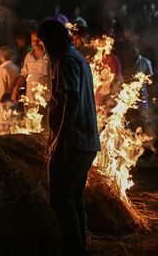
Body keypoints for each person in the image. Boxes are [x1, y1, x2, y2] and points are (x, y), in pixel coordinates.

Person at [38, 20, 100, 256]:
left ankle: (74, 250)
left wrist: (60, 140)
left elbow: (71, 100)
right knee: (74, 197)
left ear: (52, 40)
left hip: (73, 141)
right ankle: (79, 247)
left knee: (61, 199)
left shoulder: (65, 60)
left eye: (44, 42)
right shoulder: (78, 59)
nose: (43, 48)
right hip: (84, 140)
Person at [11, 31, 51, 104]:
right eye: (33, 41)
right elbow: (23, 74)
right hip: (30, 100)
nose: (35, 43)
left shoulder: (50, 56)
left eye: (38, 40)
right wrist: (16, 88)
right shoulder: (28, 56)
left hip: (44, 101)